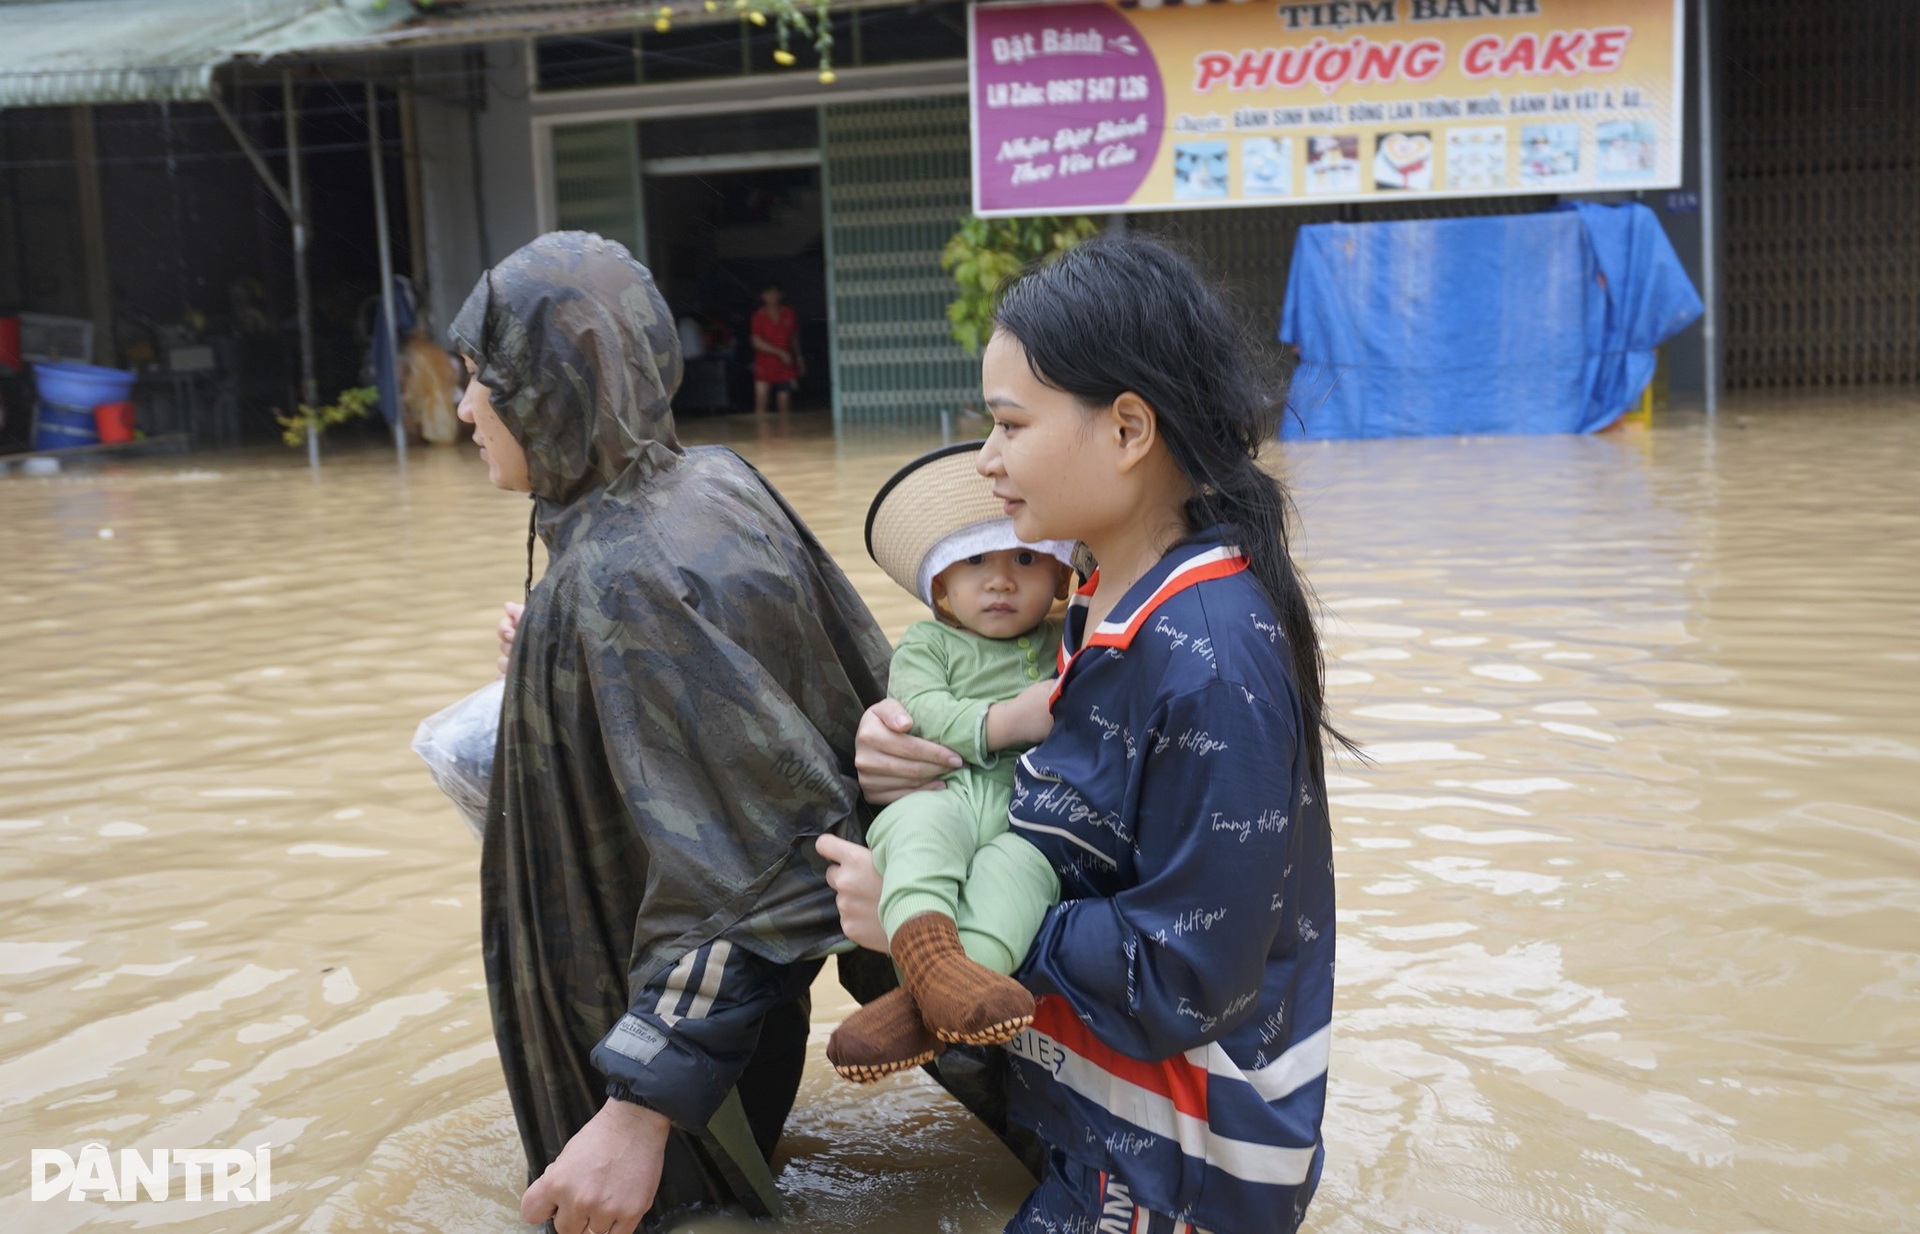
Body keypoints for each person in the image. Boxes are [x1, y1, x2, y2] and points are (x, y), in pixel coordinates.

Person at [817, 233, 1339, 1234]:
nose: (988, 459)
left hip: (1179, 1174)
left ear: (1129, 429)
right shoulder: (1101, 608)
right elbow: (1067, 811)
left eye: (1011, 424)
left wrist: (929, 932)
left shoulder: (1209, 655)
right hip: (1098, 1126)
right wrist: (912, 755)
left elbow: (1184, 975)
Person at [450, 232, 893, 1234]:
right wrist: (556, 670)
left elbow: (762, 859)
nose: (466, 411)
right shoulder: (709, 486)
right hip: (725, 1050)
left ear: (554, 385)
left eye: (483, 381)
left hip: (666, 1095)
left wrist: (638, 1108)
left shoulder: (625, 572)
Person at [826, 443, 1076, 1081]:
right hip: (948, 788)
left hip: (1028, 810)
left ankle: (936, 996)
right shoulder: (926, 642)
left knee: (1021, 873)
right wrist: (1004, 721)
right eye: (975, 562)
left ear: (1060, 579)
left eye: (1025, 558)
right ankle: (933, 960)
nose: (1001, 579)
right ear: (940, 585)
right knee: (919, 835)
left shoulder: (1067, 639)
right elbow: (918, 711)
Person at [749, 283, 800, 414]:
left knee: (785, 407)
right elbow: (756, 342)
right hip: (764, 366)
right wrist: (780, 353)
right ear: (762, 296)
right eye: (768, 293)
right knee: (761, 406)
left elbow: (794, 338)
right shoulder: (758, 316)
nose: (772, 297)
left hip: (785, 367)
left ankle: (786, 433)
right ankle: (761, 434)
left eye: (775, 293)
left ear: (781, 295)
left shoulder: (789, 313)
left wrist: (799, 359)